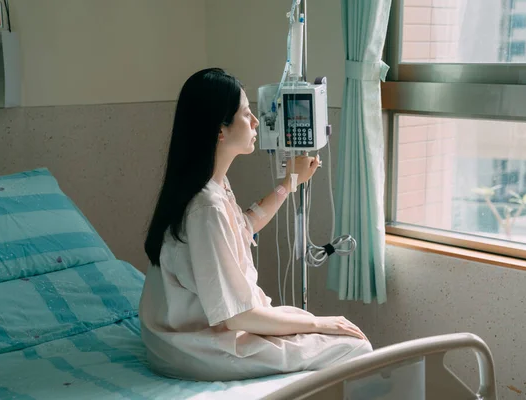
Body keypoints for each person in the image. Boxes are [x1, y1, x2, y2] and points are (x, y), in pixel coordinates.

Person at [139, 68, 372, 382]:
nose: (256, 122)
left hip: (204, 331)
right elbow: (238, 316)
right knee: (355, 348)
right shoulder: (206, 207)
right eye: (246, 114)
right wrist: (319, 324)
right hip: (200, 346)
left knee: (318, 327)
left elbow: (244, 225)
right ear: (219, 130)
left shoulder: (212, 187)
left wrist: (289, 184)